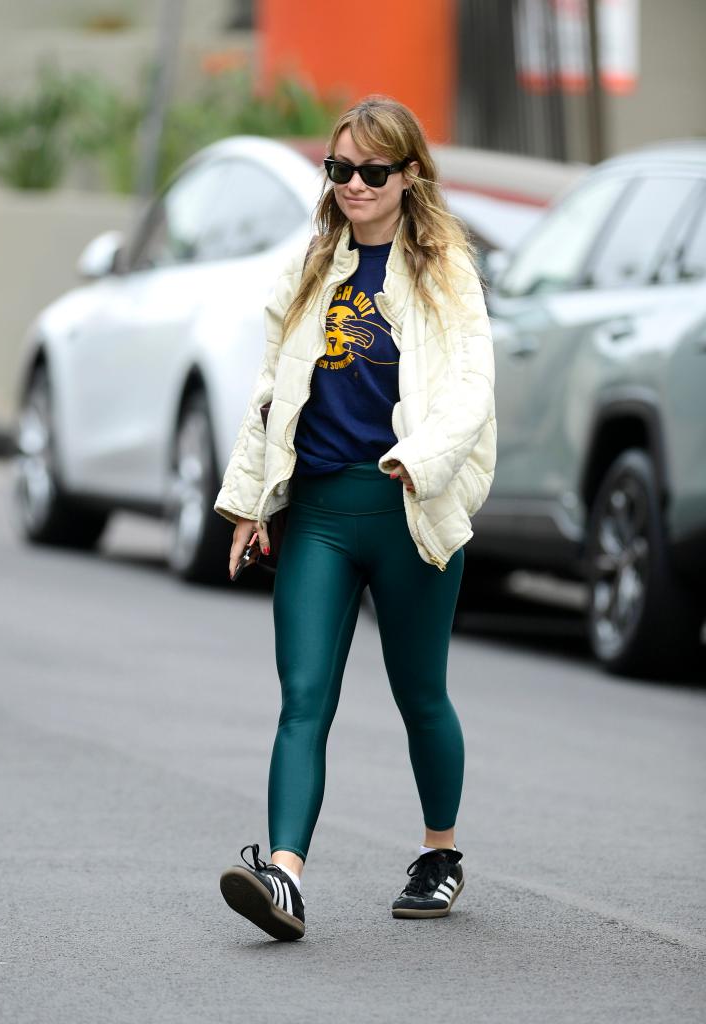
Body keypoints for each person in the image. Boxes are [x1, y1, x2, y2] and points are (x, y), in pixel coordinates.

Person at [215, 96, 496, 942]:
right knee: (303, 697)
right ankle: (285, 877)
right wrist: (247, 501)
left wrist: (422, 458)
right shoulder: (312, 267)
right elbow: (272, 393)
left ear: (409, 175)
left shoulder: (444, 270)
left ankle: (438, 854)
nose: (355, 186)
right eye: (340, 170)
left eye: (374, 171)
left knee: (420, 695)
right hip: (323, 515)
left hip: (409, 507)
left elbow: (470, 388)